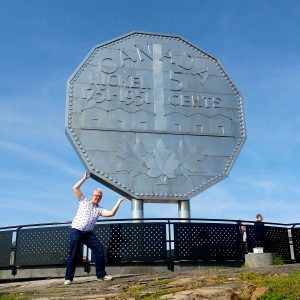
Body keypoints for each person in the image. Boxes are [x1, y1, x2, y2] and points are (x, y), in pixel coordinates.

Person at [64, 171, 126, 285]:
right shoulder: (84, 201)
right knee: (73, 254)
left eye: (99, 196)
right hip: (76, 230)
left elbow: (111, 213)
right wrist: (84, 178)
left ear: (101, 198)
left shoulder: (99, 209)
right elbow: (75, 188)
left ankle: (101, 275)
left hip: (88, 233)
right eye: (96, 195)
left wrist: (118, 202)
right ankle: (68, 278)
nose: (97, 197)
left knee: (99, 250)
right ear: (93, 196)